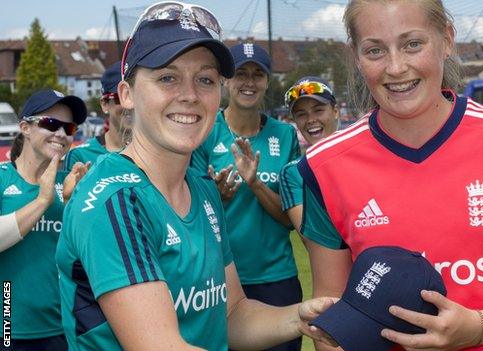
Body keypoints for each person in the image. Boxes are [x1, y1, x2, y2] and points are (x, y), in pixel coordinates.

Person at [296, 1, 483, 350]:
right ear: (356, 57)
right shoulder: (323, 167)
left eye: (413, 44)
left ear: (447, 40)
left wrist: (479, 327)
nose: (396, 67)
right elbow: (333, 324)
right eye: (375, 50)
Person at [55, 2, 335, 350]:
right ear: (126, 95)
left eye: (205, 79)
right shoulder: (115, 200)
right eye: (167, 77)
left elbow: (233, 315)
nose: (189, 95)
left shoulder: (202, 188)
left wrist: (299, 316)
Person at [191, 43, 303, 351]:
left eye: (258, 74)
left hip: (276, 278)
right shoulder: (204, 132)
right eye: (241, 73)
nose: (249, 82)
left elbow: (290, 220)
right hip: (220, 280)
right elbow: (190, 213)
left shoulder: (286, 135)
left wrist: (254, 183)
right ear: (227, 79)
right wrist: (219, 197)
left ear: (268, 81)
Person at [0, 89, 88, 351]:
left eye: (69, 127)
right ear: (25, 127)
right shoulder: (4, 177)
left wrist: (75, 205)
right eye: (51, 123)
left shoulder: (71, 184)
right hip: (8, 328)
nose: (61, 134)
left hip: (62, 328)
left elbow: (86, 256)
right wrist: (41, 201)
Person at [279, 76, 339, 232]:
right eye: (301, 114)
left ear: (335, 111)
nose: (311, 120)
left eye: (318, 110)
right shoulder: (293, 173)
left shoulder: (363, 154)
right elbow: (313, 239)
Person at [64, 61, 132, 170]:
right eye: (119, 98)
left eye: (137, 96)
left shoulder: (159, 152)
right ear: (104, 104)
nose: (130, 105)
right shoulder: (81, 156)